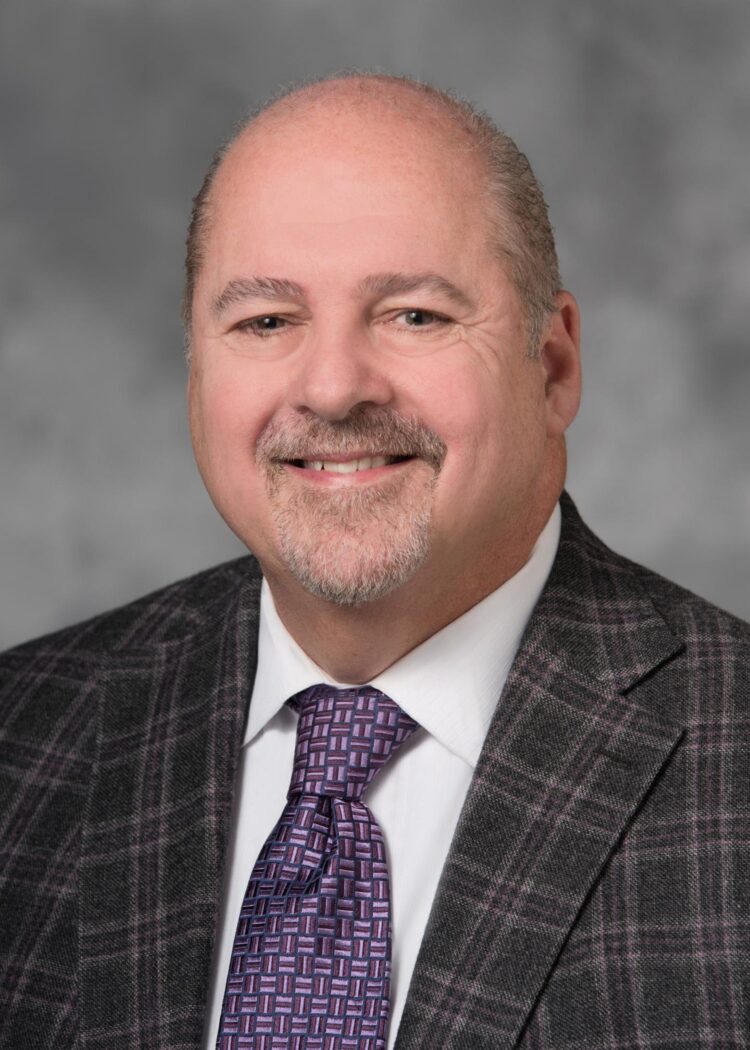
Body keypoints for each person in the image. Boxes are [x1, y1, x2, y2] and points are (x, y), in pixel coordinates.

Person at [1, 72, 748, 1050]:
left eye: (414, 315)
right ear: (195, 370)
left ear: (553, 367)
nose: (333, 387)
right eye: (266, 321)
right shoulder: (23, 734)